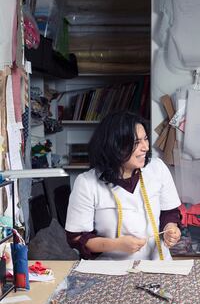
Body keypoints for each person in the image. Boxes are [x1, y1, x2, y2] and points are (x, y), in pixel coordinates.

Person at [65, 110, 181, 260]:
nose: (145, 147)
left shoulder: (157, 168)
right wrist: (116, 245)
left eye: (145, 139)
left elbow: (169, 211)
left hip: (157, 264)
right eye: (136, 143)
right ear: (115, 146)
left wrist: (170, 228)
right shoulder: (87, 183)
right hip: (109, 271)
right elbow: (76, 238)